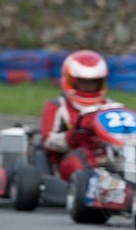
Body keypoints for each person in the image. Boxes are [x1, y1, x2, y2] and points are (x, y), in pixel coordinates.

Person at [41, 49, 118, 181]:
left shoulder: (112, 106)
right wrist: (74, 137)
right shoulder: (58, 106)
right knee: (79, 164)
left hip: (108, 154)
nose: (89, 86)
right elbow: (48, 140)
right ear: (69, 81)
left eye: (94, 82)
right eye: (83, 82)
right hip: (72, 156)